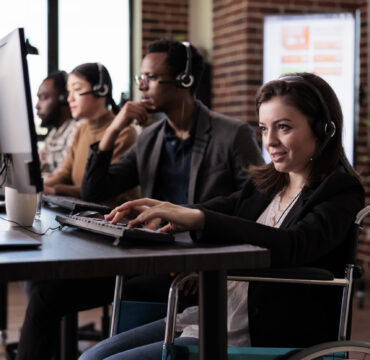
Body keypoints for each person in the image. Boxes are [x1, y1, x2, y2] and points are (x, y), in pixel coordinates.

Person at [79, 72, 364, 360]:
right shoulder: (269, 183)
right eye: (264, 129)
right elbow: (220, 208)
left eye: (284, 127)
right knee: (92, 356)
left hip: (259, 334)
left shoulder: (340, 190)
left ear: (324, 130)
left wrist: (200, 220)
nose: (271, 141)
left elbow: (294, 244)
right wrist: (167, 210)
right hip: (214, 315)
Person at [15, 41, 263, 360]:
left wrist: (209, 259)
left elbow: (255, 207)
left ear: (185, 80)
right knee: (47, 294)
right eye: (139, 78)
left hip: (200, 264)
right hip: (151, 257)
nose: (141, 86)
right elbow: (95, 190)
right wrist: (116, 125)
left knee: (129, 294)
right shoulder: (151, 138)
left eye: (151, 77)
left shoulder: (232, 134)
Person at [42, 63, 138, 200]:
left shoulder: (124, 133)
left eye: (77, 89)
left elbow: (99, 189)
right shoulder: (81, 129)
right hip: (83, 213)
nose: (70, 99)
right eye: (69, 92)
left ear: (100, 90)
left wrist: (53, 190)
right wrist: (39, 186)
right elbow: (65, 173)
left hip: (113, 215)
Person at [36, 71, 79, 175]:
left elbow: (64, 178)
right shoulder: (53, 134)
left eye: (43, 97)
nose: (37, 106)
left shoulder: (77, 130)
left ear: (63, 98)